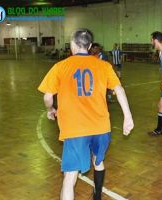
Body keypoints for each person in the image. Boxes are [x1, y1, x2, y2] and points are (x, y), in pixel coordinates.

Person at [38, 29, 134, 200]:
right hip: (100, 127)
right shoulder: (104, 65)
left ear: (73, 44)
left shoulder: (60, 66)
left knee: (70, 178)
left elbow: (47, 96)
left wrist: (50, 109)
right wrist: (128, 116)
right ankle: (97, 196)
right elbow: (119, 90)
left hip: (75, 129)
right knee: (98, 161)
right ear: (90, 46)